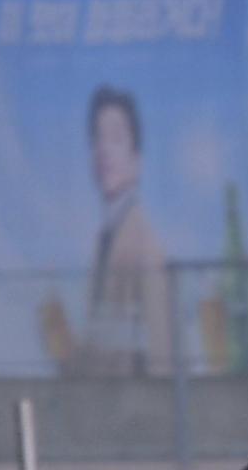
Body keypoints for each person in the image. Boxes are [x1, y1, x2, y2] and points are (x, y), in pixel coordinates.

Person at [41, 88, 173, 377]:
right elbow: (94, 354)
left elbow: (159, 352)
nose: (104, 150)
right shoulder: (106, 237)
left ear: (136, 158)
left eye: (115, 138)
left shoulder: (145, 246)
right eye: (97, 139)